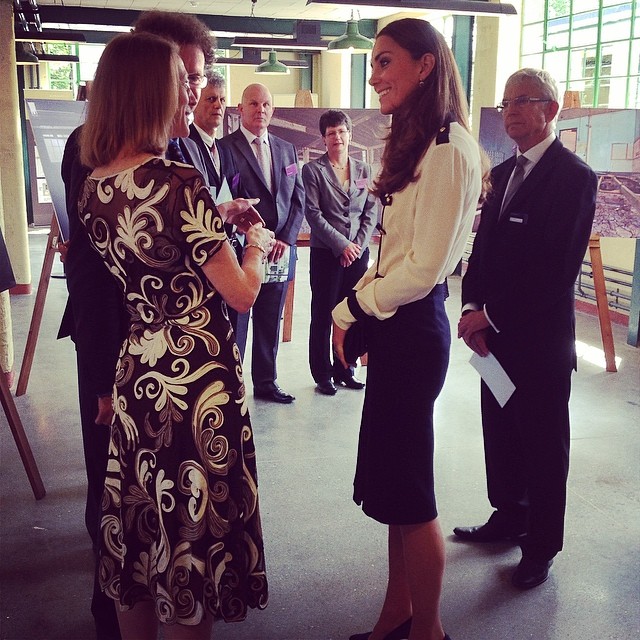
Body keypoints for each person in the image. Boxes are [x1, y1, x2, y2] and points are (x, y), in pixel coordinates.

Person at [77, 32, 273, 640]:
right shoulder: (179, 179)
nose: (189, 95)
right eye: (178, 83)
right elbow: (240, 292)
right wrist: (259, 247)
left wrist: (216, 218)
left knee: (140, 528)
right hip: (197, 383)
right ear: (148, 92)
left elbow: (152, 257)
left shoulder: (94, 188)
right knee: (195, 532)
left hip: (139, 373)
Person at [332, 18, 483, 640]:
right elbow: (393, 255)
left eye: (387, 61)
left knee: (413, 495)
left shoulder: (448, 147)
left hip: (415, 327)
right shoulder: (421, 140)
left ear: (426, 66)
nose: (376, 75)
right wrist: (363, 307)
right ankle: (399, 612)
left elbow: (422, 271)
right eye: (373, 64)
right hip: (395, 323)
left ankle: (430, 631)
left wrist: (350, 311)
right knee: (396, 487)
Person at [455, 68, 597, 590]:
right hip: (493, 344)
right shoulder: (502, 172)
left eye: (522, 101)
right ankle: (508, 515)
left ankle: (541, 546)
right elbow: (483, 253)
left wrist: (489, 316)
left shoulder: (574, 177)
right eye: (505, 102)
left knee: (542, 445)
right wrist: (472, 306)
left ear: (550, 110)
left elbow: (556, 271)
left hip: (538, 345)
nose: (509, 111)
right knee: (501, 433)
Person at [219, 83, 305, 403]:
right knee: (237, 320)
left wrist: (286, 238)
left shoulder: (287, 149)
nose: (260, 109)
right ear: (240, 109)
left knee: (270, 320)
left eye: (266, 104)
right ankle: (233, 386)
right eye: (253, 104)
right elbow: (222, 197)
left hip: (279, 251)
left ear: (273, 109)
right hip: (241, 250)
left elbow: (298, 197)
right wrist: (248, 234)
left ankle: (267, 383)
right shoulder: (224, 148)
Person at [302, 109, 377, 396]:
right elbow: (313, 213)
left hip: (357, 255)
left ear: (350, 135)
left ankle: (345, 369)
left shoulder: (364, 170)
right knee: (323, 314)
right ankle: (323, 373)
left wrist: (356, 245)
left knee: (351, 313)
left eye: (341, 131)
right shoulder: (314, 170)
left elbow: (370, 211)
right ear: (324, 139)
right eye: (331, 133)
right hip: (327, 255)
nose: (337, 137)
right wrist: (341, 245)